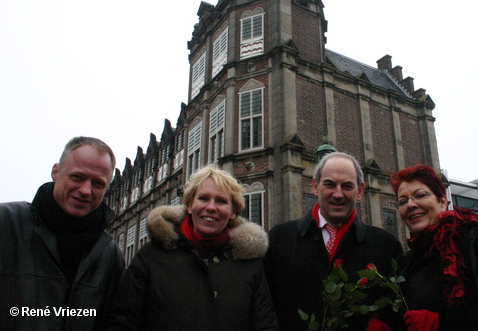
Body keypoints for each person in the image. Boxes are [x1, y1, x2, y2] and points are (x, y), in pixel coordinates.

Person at [107, 165, 278, 330]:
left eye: (221, 201)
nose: (211, 207)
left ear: (233, 211)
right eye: (203, 198)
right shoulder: (151, 256)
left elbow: (264, 325)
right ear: (190, 205)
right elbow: (123, 320)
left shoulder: (250, 264)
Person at [265, 151, 404, 330]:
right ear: (315, 186)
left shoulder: (386, 246)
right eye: (330, 184)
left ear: (360, 191)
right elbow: (265, 309)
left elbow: (394, 311)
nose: (338, 194)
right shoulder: (279, 239)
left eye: (347, 186)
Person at [0, 136, 125, 330]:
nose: (85, 190)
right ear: (56, 172)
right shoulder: (6, 224)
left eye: (98, 184)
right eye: (77, 177)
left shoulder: (109, 255)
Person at [390, 164, 478, 331]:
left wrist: (441, 324)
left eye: (420, 195)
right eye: (402, 201)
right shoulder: (410, 260)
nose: (410, 204)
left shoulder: (477, 239)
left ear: (443, 201)